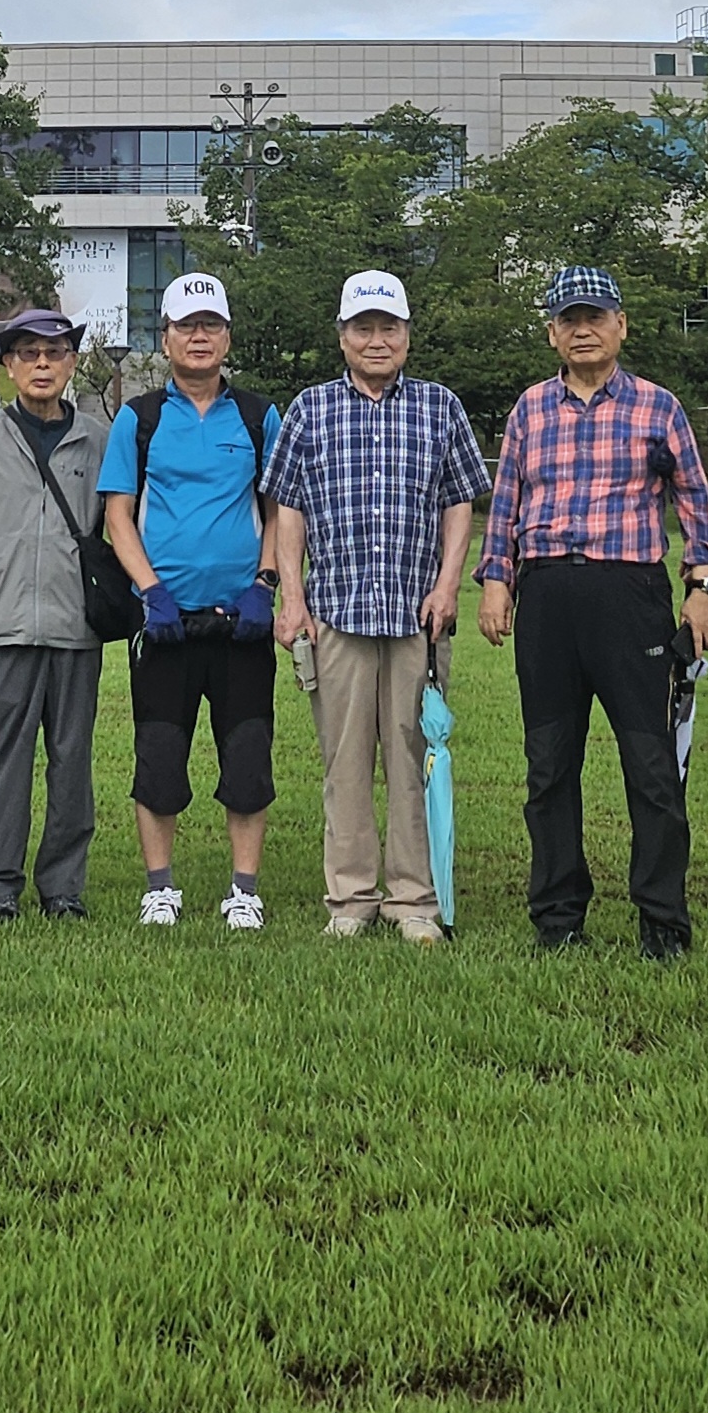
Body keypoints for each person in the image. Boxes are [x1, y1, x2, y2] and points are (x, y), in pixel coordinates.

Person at [475, 265, 708, 959]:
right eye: (569, 320)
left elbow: (695, 502)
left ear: (621, 325)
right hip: (547, 597)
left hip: (631, 597)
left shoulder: (658, 407)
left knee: (651, 765)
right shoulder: (530, 410)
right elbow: (507, 505)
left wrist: (703, 586)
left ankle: (662, 924)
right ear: (552, 333)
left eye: (595, 317)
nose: (583, 330)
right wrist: (496, 581)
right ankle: (558, 920)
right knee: (549, 765)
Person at [269, 269, 489, 942]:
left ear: (406, 335)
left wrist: (448, 585)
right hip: (336, 612)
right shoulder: (310, 409)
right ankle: (351, 899)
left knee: (413, 756)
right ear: (342, 336)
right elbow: (288, 510)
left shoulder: (439, 407)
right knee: (344, 763)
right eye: (362, 328)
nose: (376, 340)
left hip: (417, 616)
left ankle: (414, 900)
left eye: (388, 327)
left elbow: (459, 503)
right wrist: (293, 598)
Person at [97, 270, 286, 931]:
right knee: (158, 756)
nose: (198, 336)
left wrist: (266, 585)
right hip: (165, 622)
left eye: (210, 325)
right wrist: (150, 592)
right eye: (186, 326)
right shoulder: (140, 418)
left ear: (227, 337)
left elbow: (280, 510)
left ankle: (244, 890)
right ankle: (161, 888)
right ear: (167, 337)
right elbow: (118, 516)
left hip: (241, 622)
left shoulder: (260, 417)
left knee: (248, 756)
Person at [0, 307, 114, 920]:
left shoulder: (100, 440)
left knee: (72, 762)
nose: (42, 364)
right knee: (2, 762)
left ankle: (63, 886)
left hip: (76, 625)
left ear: (73, 362)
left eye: (55, 353)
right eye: (28, 354)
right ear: (8, 364)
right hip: (3, 625)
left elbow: (115, 523)